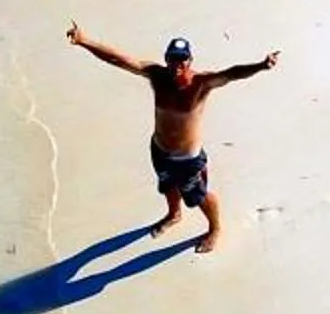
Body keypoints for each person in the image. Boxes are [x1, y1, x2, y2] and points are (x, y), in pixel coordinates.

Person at [65, 24, 279, 252]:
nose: (177, 64)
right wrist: (84, 41)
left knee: (199, 196)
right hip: (160, 150)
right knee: (167, 185)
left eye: (182, 59)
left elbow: (232, 73)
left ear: (190, 60)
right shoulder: (157, 76)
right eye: (173, 59)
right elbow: (119, 59)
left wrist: (260, 66)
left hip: (188, 158)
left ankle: (215, 228)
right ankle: (174, 214)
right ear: (166, 59)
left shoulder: (201, 84)